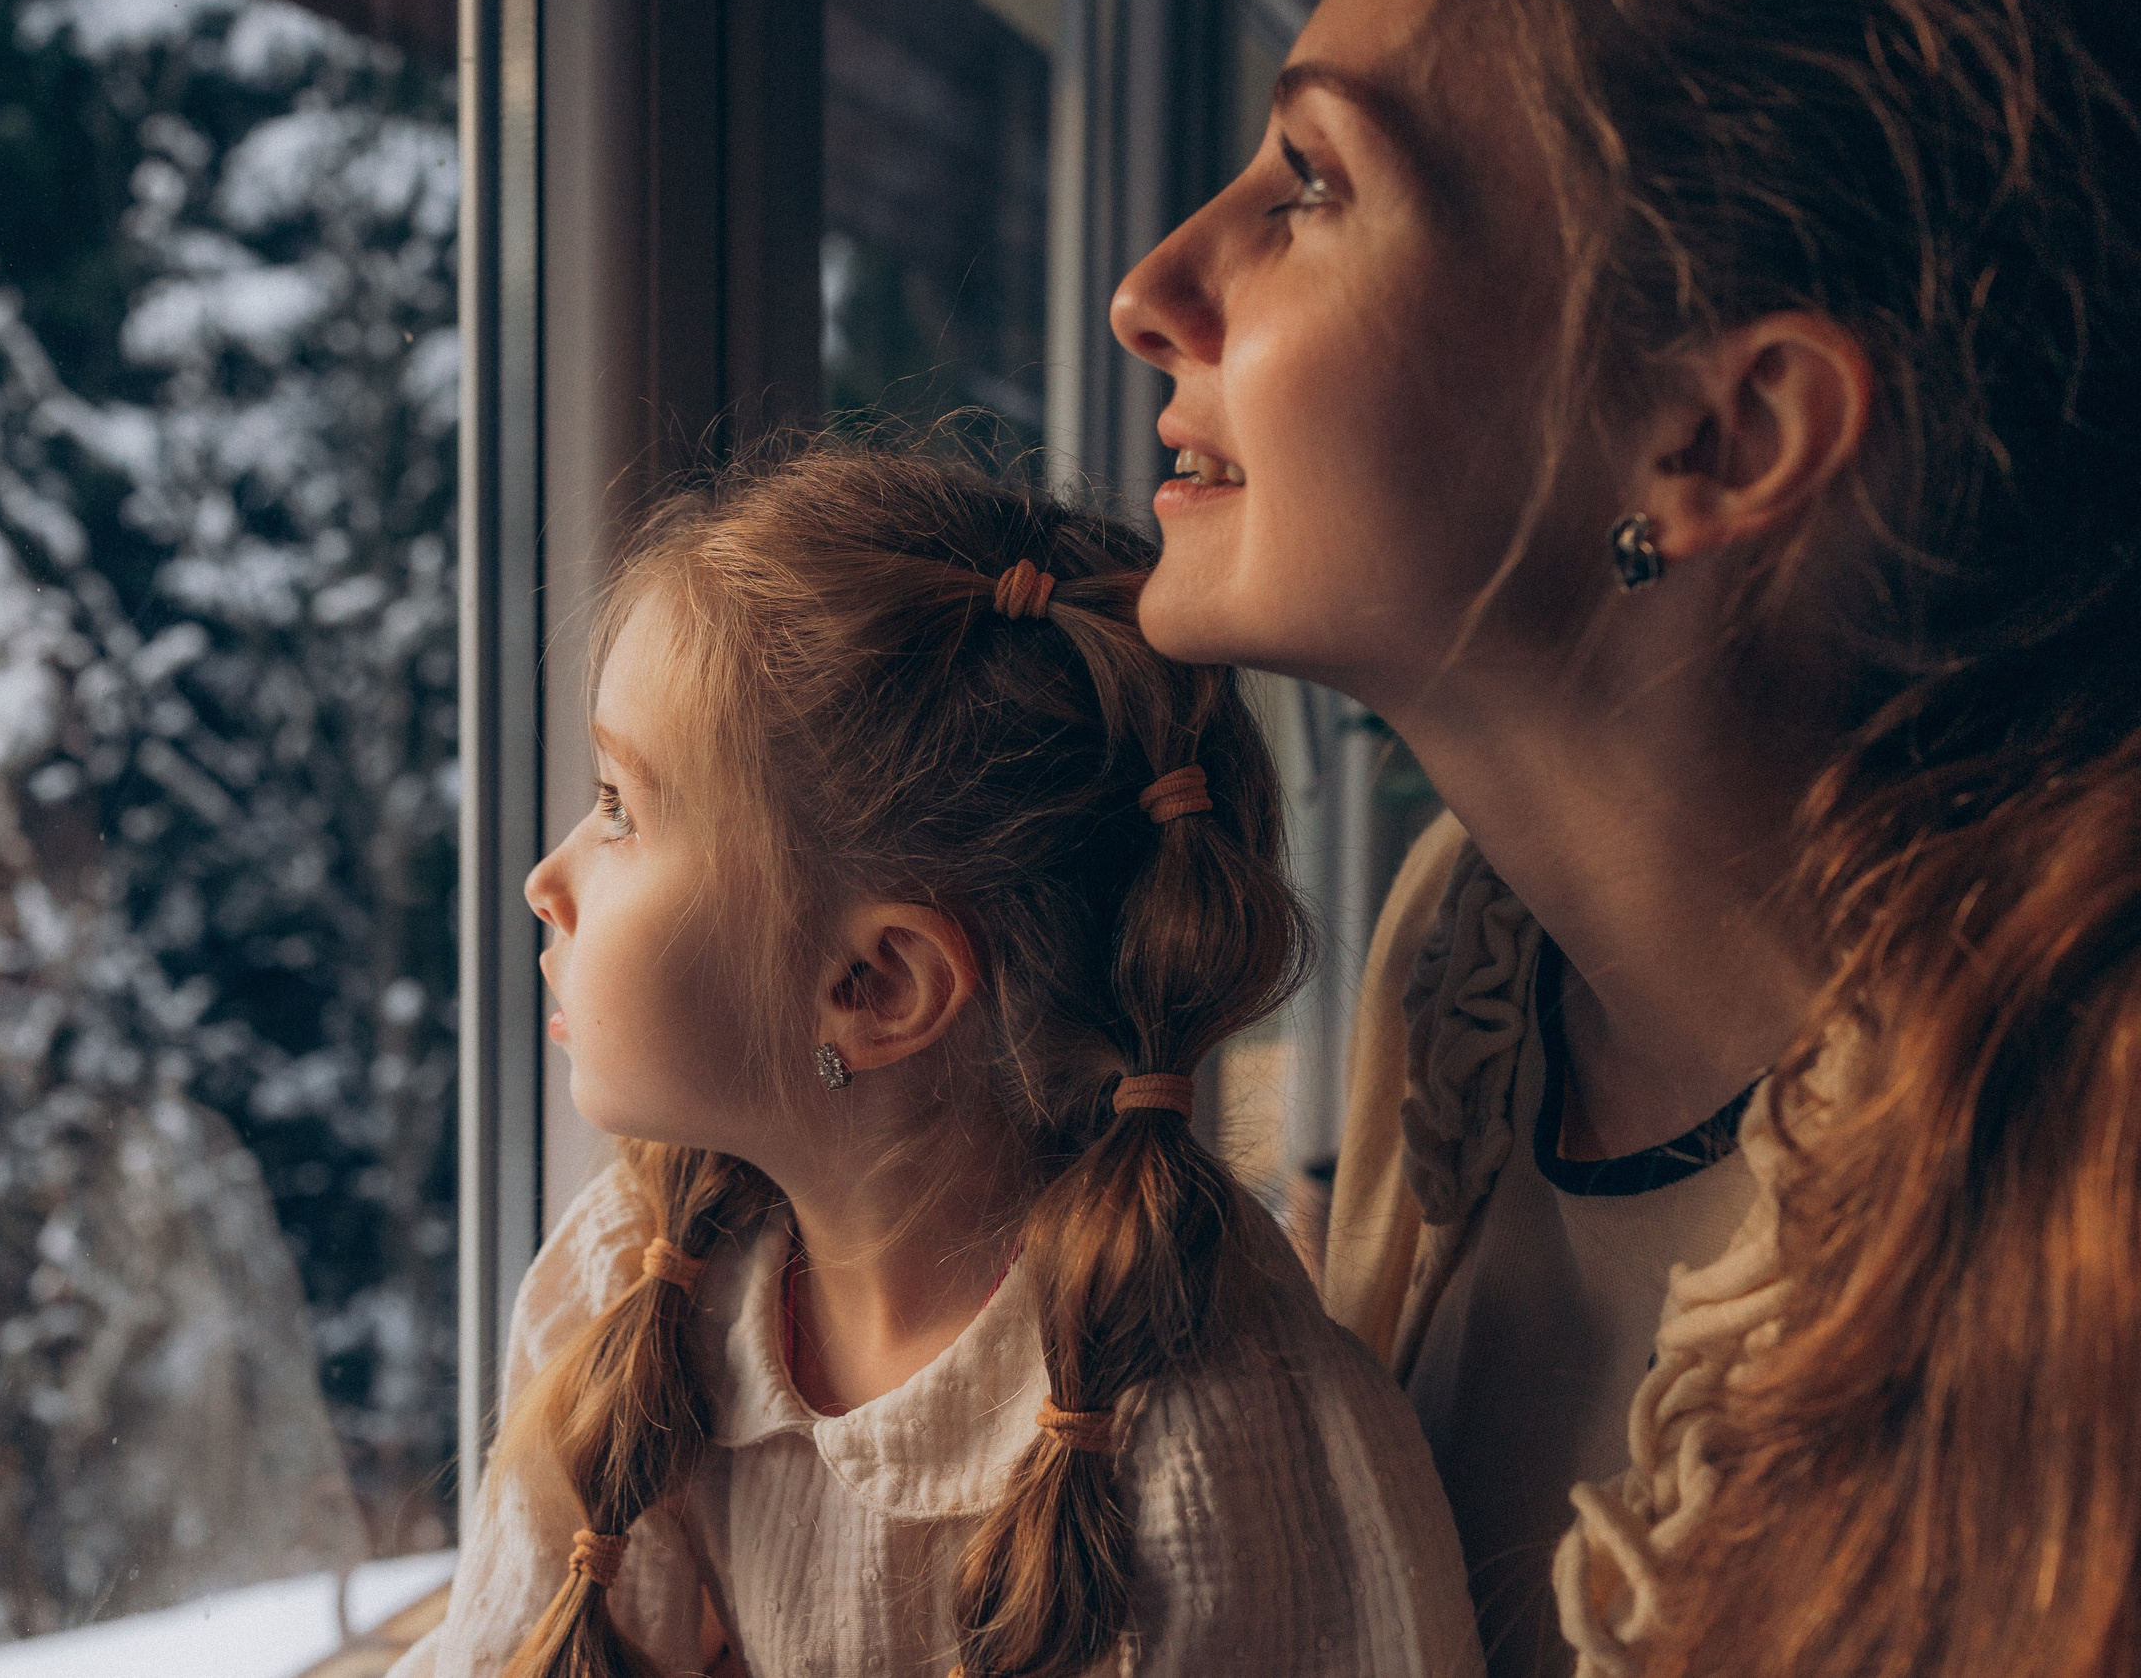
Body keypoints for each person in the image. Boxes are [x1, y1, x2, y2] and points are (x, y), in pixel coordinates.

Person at [1109, 0, 2139, 1676]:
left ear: (1720, 434)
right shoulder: (1465, 966)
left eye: (1310, 182)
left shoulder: (2078, 1229)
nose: (1155, 285)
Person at [401, 446, 1482, 1678]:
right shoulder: (648, 1266)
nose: (547, 882)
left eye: (617, 809)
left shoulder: (1207, 1444)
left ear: (877, 987)